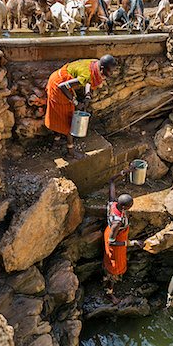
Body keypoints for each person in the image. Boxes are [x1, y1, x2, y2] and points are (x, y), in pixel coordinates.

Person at [45, 55, 117, 158]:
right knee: (69, 121)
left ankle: (56, 141)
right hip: (58, 87)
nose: (111, 74)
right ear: (101, 69)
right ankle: (71, 151)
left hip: (59, 80)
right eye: (110, 71)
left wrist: (87, 95)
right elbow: (63, 86)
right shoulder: (89, 74)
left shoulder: (95, 63)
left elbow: (88, 80)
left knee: (58, 115)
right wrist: (76, 103)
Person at [103, 166, 143, 302]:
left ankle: (106, 275)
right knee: (114, 268)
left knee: (110, 262)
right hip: (114, 239)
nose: (132, 206)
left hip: (110, 231)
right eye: (131, 205)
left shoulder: (113, 202)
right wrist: (132, 243)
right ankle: (109, 292)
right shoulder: (117, 221)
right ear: (125, 207)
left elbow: (111, 181)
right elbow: (111, 242)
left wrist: (124, 172)